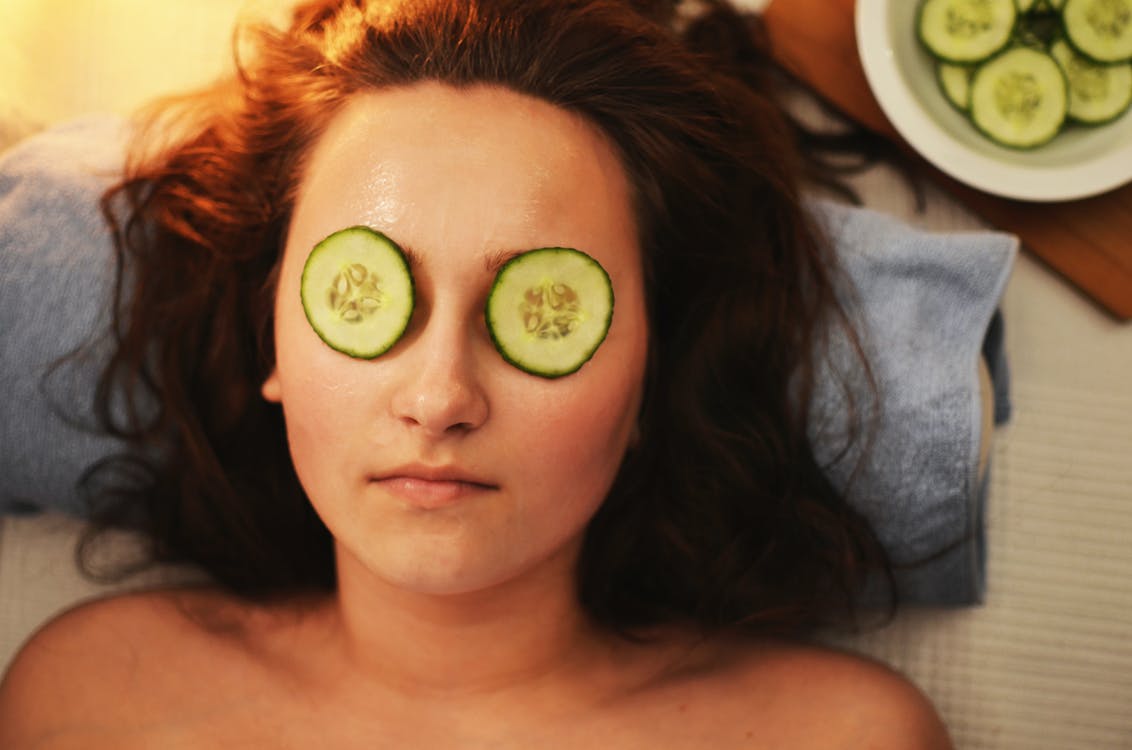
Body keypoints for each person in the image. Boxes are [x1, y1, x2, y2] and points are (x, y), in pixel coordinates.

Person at [0, 0, 953, 746]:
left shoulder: (846, 738)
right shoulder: (86, 700)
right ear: (272, 340)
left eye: (544, 313)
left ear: (649, 382)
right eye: (365, 297)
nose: (440, 398)